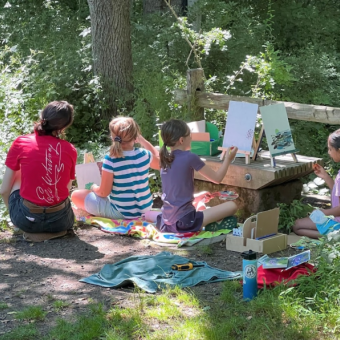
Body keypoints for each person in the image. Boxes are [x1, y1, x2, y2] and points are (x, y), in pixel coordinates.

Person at [0, 101, 77, 233]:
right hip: (61, 222)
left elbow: (4, 190)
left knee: (18, 172)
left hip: (26, 220)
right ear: (63, 127)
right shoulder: (70, 149)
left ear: (42, 117)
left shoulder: (21, 142)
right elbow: (66, 188)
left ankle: (18, 223)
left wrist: (15, 215)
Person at [156, 119, 238, 233]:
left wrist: (197, 196)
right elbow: (217, 178)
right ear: (181, 140)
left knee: (200, 204)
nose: (192, 138)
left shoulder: (164, 159)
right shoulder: (190, 157)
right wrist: (228, 159)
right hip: (184, 222)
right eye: (190, 135)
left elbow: (174, 192)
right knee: (232, 206)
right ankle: (212, 223)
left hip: (165, 222)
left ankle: (207, 220)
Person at [71, 117, 160, 219]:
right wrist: (143, 140)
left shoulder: (111, 159)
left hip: (121, 213)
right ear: (136, 137)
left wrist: (94, 187)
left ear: (113, 138)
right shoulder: (145, 155)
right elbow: (159, 162)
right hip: (145, 210)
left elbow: (104, 192)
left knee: (75, 195)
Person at [293, 129, 340, 239]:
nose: (328, 152)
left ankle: (334, 236)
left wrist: (323, 212)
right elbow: (337, 193)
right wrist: (325, 176)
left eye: (330, 149)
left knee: (296, 226)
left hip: (337, 222)